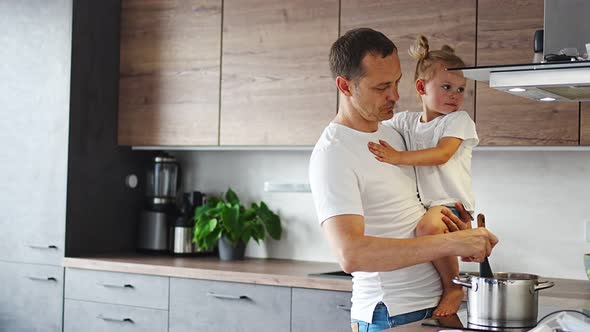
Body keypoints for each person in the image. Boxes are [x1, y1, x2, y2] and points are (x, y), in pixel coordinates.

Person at [308, 28, 498, 332]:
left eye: (396, 82)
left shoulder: (393, 132)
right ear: (345, 86)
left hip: (436, 305)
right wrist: (448, 241)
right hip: (391, 313)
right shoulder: (333, 154)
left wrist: (458, 231)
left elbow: (417, 208)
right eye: (382, 87)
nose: (395, 96)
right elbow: (351, 254)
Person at [367, 35, 478, 317]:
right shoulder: (406, 122)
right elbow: (374, 123)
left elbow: (441, 154)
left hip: (453, 202)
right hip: (428, 205)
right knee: (427, 228)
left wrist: (397, 157)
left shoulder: (458, 120)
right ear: (420, 87)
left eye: (461, 89)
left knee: (428, 230)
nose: (455, 94)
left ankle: (453, 286)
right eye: (446, 87)